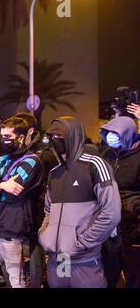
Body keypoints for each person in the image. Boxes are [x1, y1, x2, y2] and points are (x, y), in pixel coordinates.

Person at [39, 116, 121, 288]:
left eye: (59, 136)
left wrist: (82, 243)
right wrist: (45, 235)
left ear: (73, 135)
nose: (54, 140)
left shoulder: (95, 165)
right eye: (51, 136)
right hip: (59, 260)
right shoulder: (54, 172)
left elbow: (111, 213)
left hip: (85, 262)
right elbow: (48, 210)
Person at [0, 117, 43, 288]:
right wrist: (1, 185)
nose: (3, 141)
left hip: (13, 234)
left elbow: (14, 193)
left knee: (18, 283)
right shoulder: (2, 160)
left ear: (20, 138)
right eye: (2, 136)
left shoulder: (31, 161)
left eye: (8, 137)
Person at [15, 112, 58, 288]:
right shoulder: (20, 153)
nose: (15, 137)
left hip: (38, 214)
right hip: (23, 213)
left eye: (19, 132)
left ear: (30, 130)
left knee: (36, 253)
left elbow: (53, 186)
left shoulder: (44, 154)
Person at [100, 116, 140, 288]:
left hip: (133, 229)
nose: (111, 136)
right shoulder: (108, 154)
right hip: (110, 228)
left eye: (115, 133)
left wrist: (133, 208)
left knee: (134, 276)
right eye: (108, 132)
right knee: (108, 275)